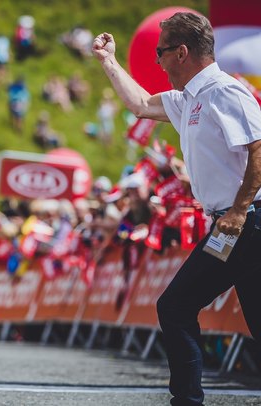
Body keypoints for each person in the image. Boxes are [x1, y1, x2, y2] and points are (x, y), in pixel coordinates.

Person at [93, 12, 261, 406]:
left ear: (182, 52)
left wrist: (237, 212)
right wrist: (108, 61)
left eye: (161, 52)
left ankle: (186, 400)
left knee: (175, 305)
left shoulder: (225, 91)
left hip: (244, 222)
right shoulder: (189, 99)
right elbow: (139, 104)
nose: (157, 61)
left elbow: (259, 149)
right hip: (234, 223)